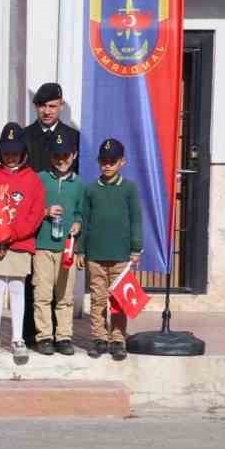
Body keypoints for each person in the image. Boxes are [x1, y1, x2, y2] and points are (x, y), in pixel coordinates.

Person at [0, 124, 46, 364]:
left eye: (15, 151)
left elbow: (36, 214)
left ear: (23, 152)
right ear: (0, 151)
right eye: (6, 151)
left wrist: (12, 235)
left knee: (17, 289)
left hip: (19, 244)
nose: (11, 156)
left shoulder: (33, 179)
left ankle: (17, 338)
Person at [21, 81, 80, 347]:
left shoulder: (73, 136)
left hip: (63, 219)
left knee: (62, 287)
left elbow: (78, 182)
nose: (47, 111)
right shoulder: (26, 135)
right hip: (35, 220)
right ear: (36, 107)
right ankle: (35, 333)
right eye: (42, 106)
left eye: (52, 106)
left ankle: (62, 334)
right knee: (35, 284)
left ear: (61, 105)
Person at [82, 137, 142, 361]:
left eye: (112, 161)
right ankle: (99, 338)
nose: (107, 165)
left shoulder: (129, 189)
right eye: (103, 161)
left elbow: (136, 219)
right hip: (96, 255)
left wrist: (136, 249)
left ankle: (118, 339)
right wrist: (80, 251)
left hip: (120, 255)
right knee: (97, 298)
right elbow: (85, 221)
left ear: (122, 163)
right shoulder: (90, 190)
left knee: (118, 300)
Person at [33, 129, 85, 356]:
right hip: (43, 246)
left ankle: (63, 336)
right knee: (42, 293)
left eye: (66, 155)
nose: (61, 160)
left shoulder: (79, 184)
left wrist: (78, 224)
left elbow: (83, 213)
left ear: (73, 155)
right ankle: (44, 336)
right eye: (57, 155)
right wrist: (45, 211)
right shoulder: (40, 178)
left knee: (64, 295)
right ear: (50, 156)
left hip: (67, 249)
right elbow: (30, 211)